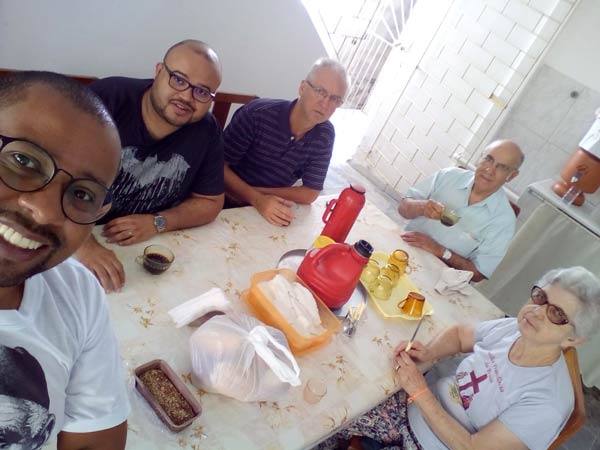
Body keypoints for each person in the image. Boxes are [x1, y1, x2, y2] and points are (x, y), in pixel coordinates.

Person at [316, 266, 600, 450]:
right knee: (331, 409)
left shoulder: (547, 403)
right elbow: (460, 335)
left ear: (573, 339)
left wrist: (419, 391)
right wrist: (429, 352)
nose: (537, 312)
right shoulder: (514, 328)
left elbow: (472, 447)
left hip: (433, 442)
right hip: (412, 410)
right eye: (540, 297)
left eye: (557, 314)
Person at [0, 71, 129, 448]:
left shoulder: (77, 293)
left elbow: (94, 439)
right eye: (23, 160)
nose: (44, 212)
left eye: (82, 194)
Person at [76, 39, 225, 292]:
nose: (186, 97)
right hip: (78, 233)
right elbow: (48, 176)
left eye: (201, 92)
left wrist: (158, 222)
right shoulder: (106, 99)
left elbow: (210, 202)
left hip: (145, 248)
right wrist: (84, 244)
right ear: (159, 71)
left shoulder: (207, 131)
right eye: (178, 79)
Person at [223, 57, 349, 226]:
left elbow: (311, 192)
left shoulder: (325, 134)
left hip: (267, 207)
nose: (325, 104)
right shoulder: (257, 114)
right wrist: (257, 199)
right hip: (224, 199)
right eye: (320, 91)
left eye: (335, 99)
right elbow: (217, 165)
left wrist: (259, 196)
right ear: (302, 88)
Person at [398, 140, 524, 282]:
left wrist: (441, 251)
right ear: (480, 157)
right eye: (488, 159)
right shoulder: (449, 175)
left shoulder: (504, 221)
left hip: (440, 279)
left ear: (512, 176)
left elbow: (478, 274)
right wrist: (421, 207)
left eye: (502, 167)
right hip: (404, 250)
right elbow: (402, 208)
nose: (489, 170)